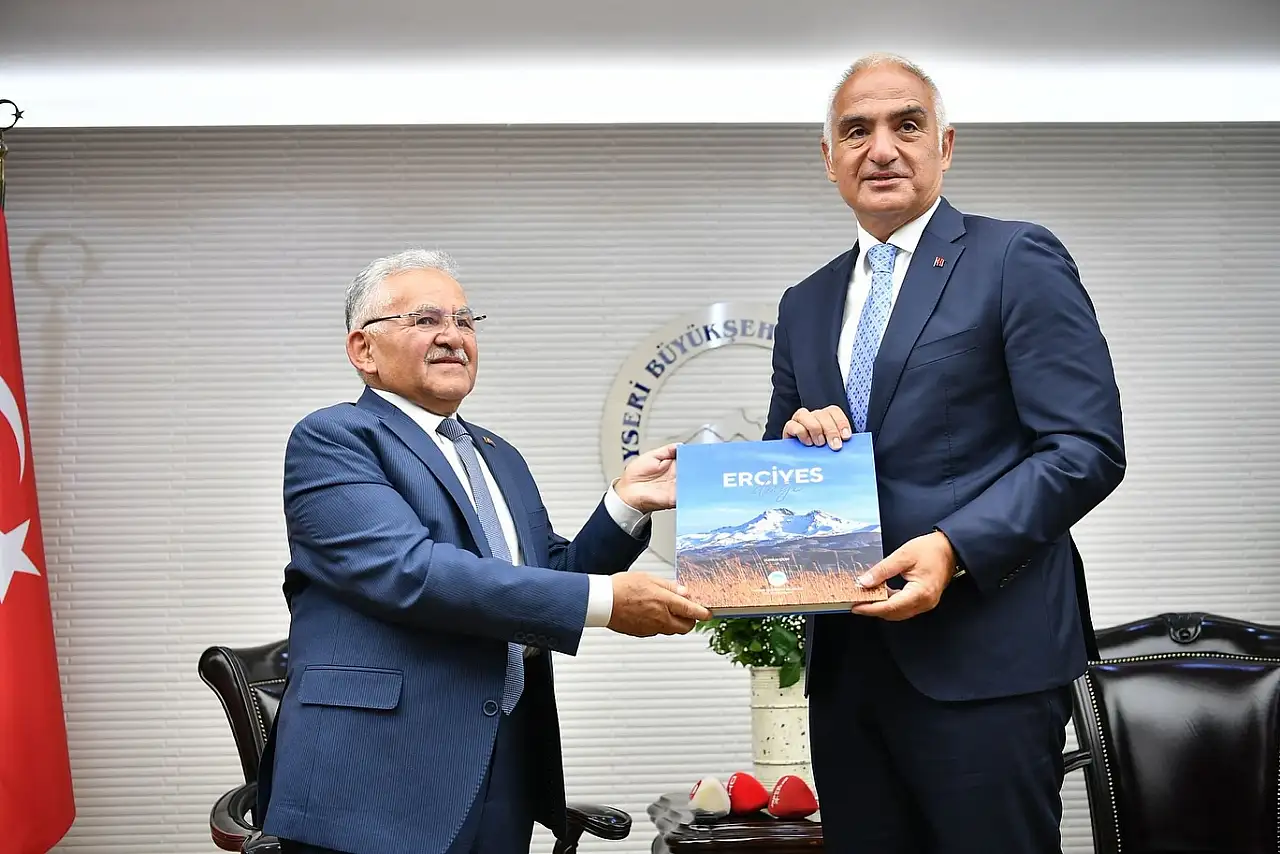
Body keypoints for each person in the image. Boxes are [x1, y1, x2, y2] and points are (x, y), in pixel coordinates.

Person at [763, 53, 1126, 852]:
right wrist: (795, 441)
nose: (881, 148)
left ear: (945, 145)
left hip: (987, 666)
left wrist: (954, 548)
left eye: (906, 125)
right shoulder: (804, 304)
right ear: (828, 158)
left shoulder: (1014, 258)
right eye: (856, 131)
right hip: (849, 673)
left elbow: (1086, 447)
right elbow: (781, 462)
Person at [256, 248, 711, 854]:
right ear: (364, 350)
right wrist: (605, 601)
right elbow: (408, 571)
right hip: (374, 778)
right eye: (425, 320)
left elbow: (550, 578)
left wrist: (626, 503)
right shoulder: (334, 439)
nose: (453, 336)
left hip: (503, 762)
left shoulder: (498, 455)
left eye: (465, 321)